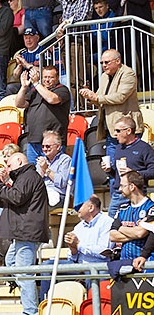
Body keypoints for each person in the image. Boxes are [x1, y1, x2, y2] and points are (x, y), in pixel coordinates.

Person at [0, 153, 49, 315]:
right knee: (11, 261)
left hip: (27, 231)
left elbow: (16, 197)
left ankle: (31, 313)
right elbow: (11, 201)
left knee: (24, 272)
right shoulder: (23, 177)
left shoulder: (28, 176)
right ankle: (29, 307)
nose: (6, 168)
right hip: (22, 232)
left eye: (8, 164)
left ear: (19, 162)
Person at [79, 49, 143, 213]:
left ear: (118, 61)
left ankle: (125, 204)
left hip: (127, 131)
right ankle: (118, 202)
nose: (103, 65)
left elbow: (120, 97)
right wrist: (89, 96)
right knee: (113, 169)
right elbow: (100, 100)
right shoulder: (104, 77)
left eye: (106, 62)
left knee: (127, 169)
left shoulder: (128, 74)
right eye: (101, 62)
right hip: (111, 131)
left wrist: (95, 97)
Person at [39, 194, 114, 299]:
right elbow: (72, 257)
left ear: (91, 207)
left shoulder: (107, 222)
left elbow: (104, 251)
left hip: (97, 265)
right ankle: (45, 306)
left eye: (80, 205)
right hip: (78, 265)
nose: (76, 207)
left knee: (95, 275)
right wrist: (73, 249)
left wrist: (78, 245)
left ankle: (94, 310)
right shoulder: (79, 227)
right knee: (47, 266)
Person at [16, 66, 70, 164]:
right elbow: (19, 104)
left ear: (57, 78)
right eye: (45, 77)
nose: (47, 80)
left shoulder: (62, 90)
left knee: (51, 173)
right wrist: (23, 87)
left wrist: (36, 83)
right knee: (34, 174)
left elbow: (52, 99)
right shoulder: (35, 90)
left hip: (52, 143)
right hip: (33, 141)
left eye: (51, 77)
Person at [103, 117, 154, 217]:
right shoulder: (119, 148)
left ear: (128, 131)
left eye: (118, 131)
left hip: (136, 194)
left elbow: (152, 171)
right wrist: (109, 170)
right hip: (119, 194)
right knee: (111, 226)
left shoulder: (144, 148)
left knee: (134, 224)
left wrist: (134, 173)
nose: (115, 134)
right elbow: (117, 174)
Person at [110, 171, 154, 261]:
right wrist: (136, 232)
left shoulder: (151, 208)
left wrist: (121, 228)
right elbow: (112, 236)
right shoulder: (122, 208)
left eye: (122, 185)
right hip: (124, 264)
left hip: (145, 265)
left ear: (132, 187)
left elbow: (140, 233)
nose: (119, 189)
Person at [37, 131, 71, 209]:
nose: (45, 149)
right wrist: (41, 172)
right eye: (43, 146)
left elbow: (62, 182)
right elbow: (35, 182)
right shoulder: (41, 160)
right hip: (42, 194)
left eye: (48, 146)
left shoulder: (65, 160)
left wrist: (46, 169)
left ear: (58, 146)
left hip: (59, 196)